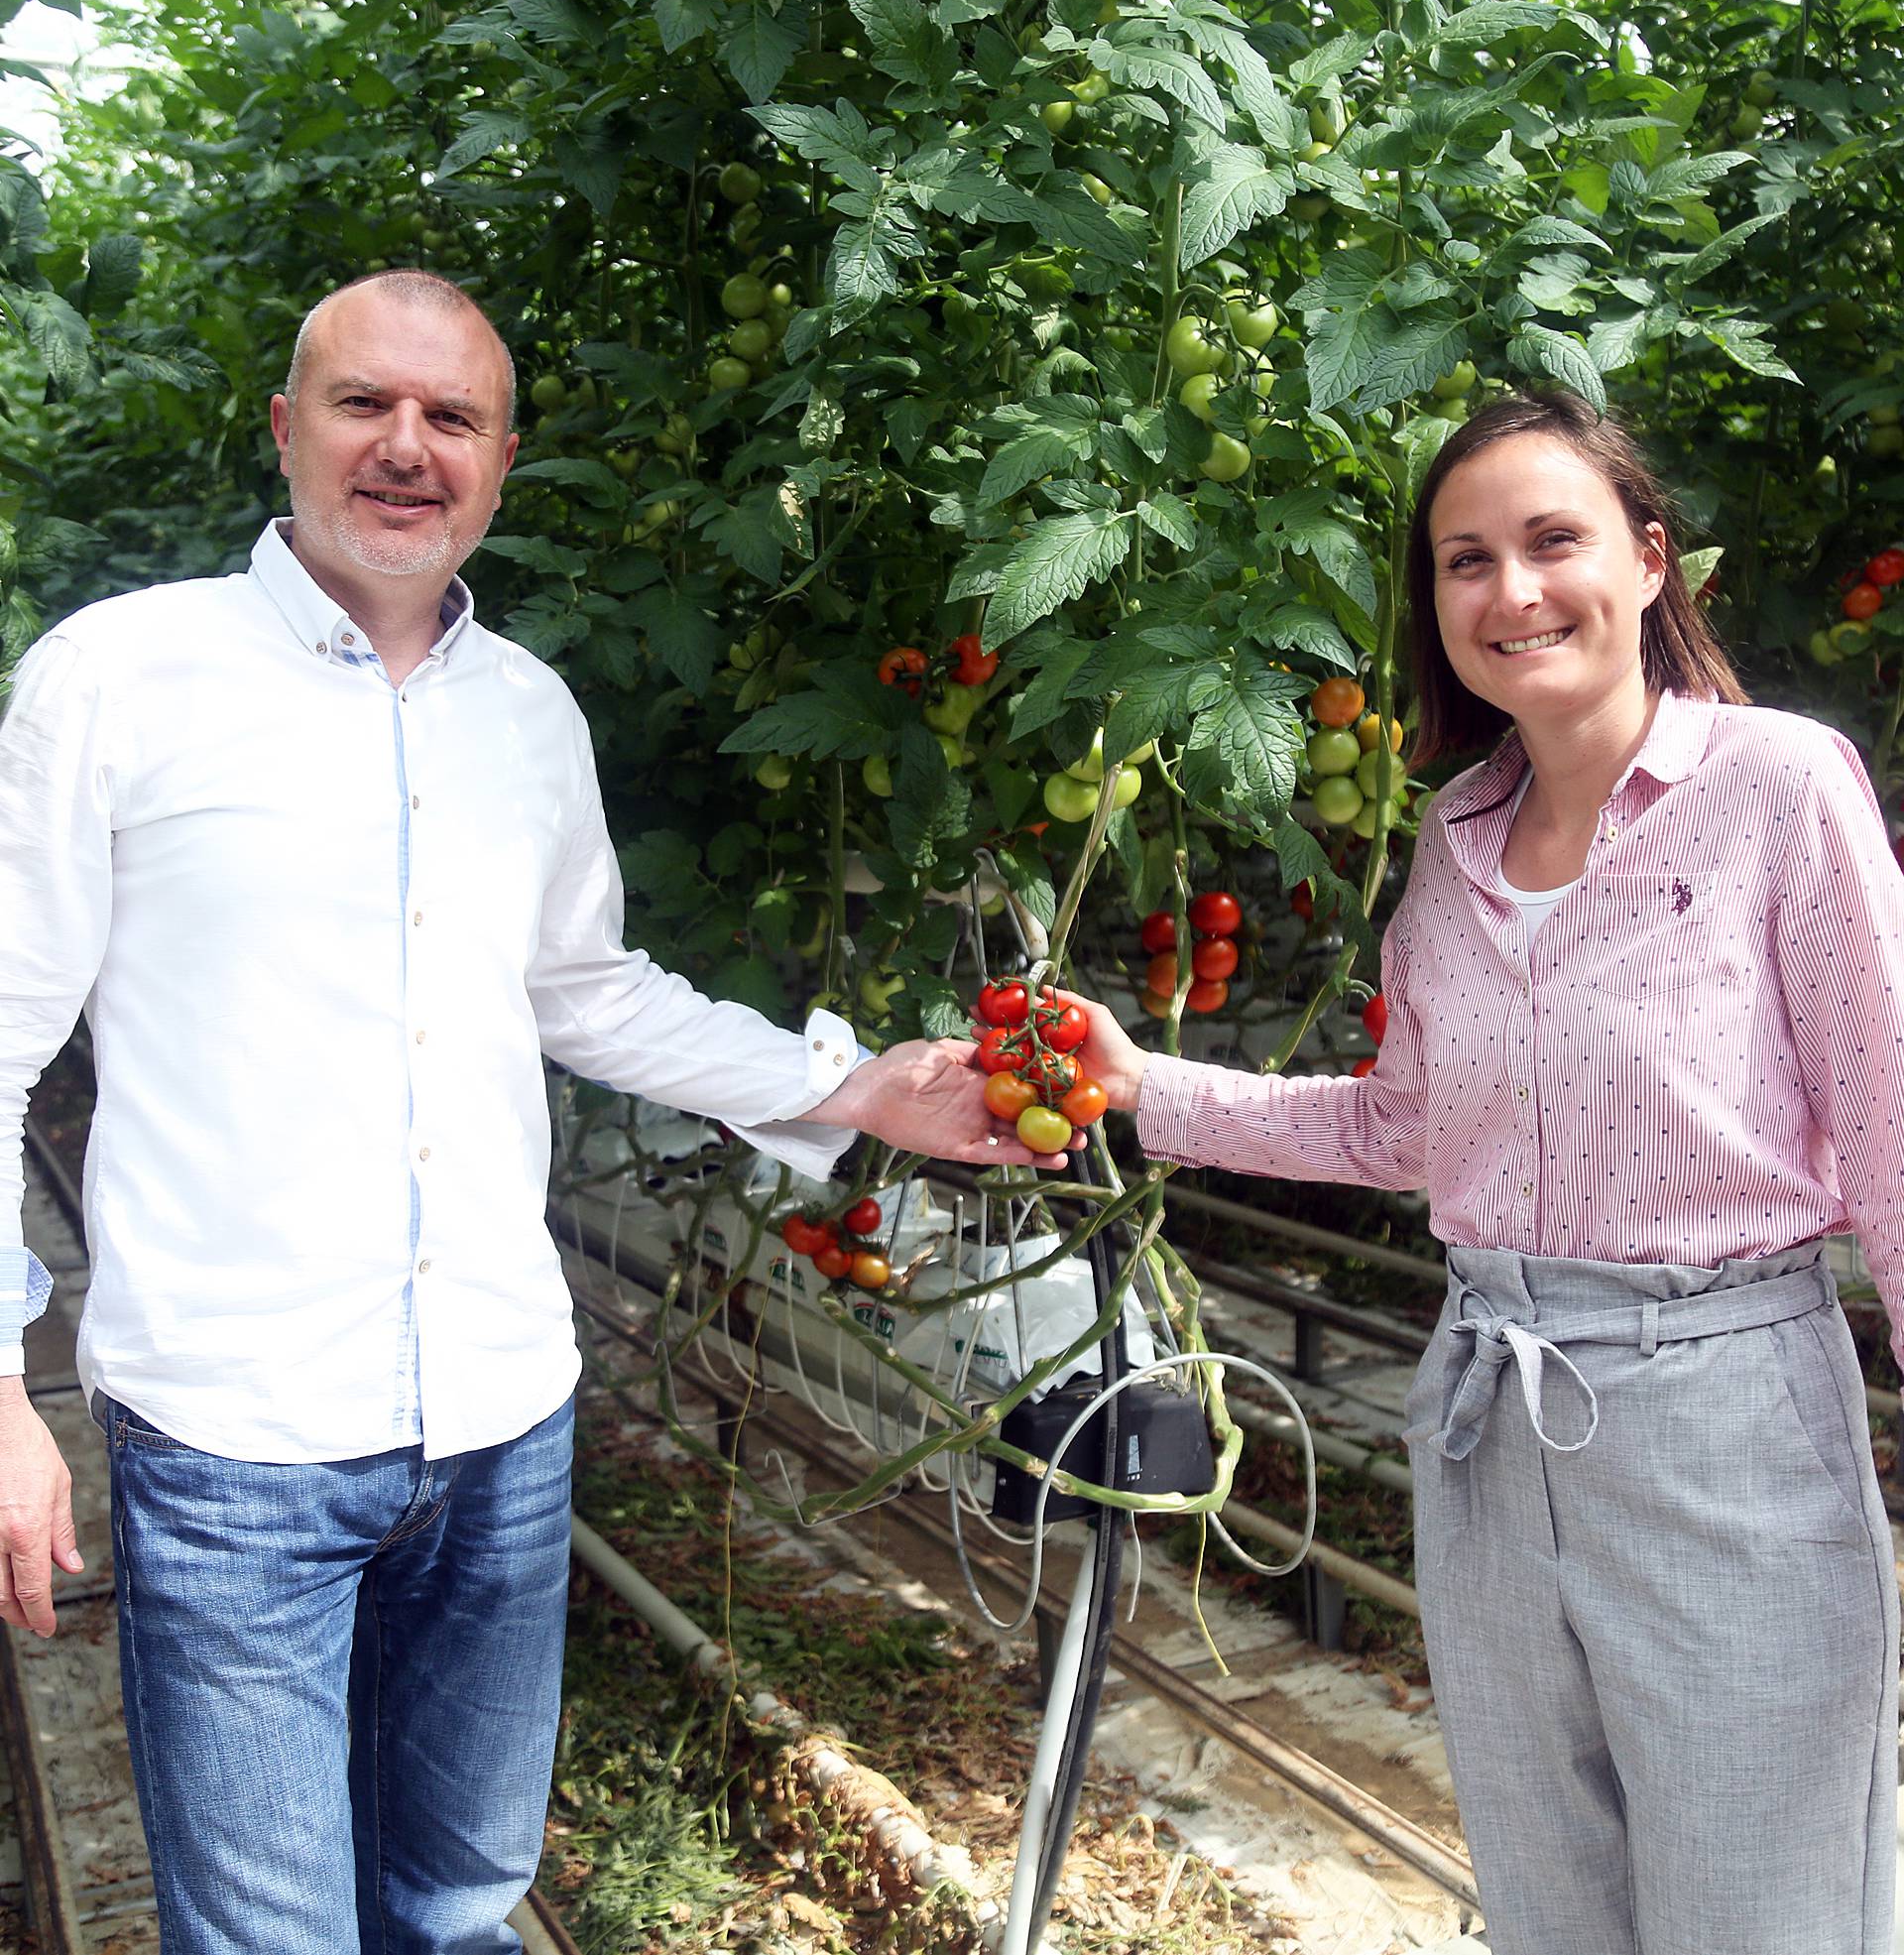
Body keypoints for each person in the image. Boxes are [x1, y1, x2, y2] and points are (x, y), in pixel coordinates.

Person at [0, 268, 1069, 1955]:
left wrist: (852, 1087)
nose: (406, 448)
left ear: (501, 462)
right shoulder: (119, 681)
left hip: (500, 1415)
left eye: (454, 418)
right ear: (286, 429)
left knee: (460, 1905)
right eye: (365, 404)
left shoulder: (528, 715)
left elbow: (586, 992)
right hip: (234, 1437)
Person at [1068, 390, 1903, 1955]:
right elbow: (1406, 1129)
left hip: (1724, 1421)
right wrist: (1139, 1087)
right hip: (1486, 1426)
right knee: (1551, 1911)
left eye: (1552, 540)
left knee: (1766, 1916)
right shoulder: (1453, 844)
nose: (1513, 591)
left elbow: (1894, 1119)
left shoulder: (1780, 790)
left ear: (1649, 562)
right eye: (1467, 560)